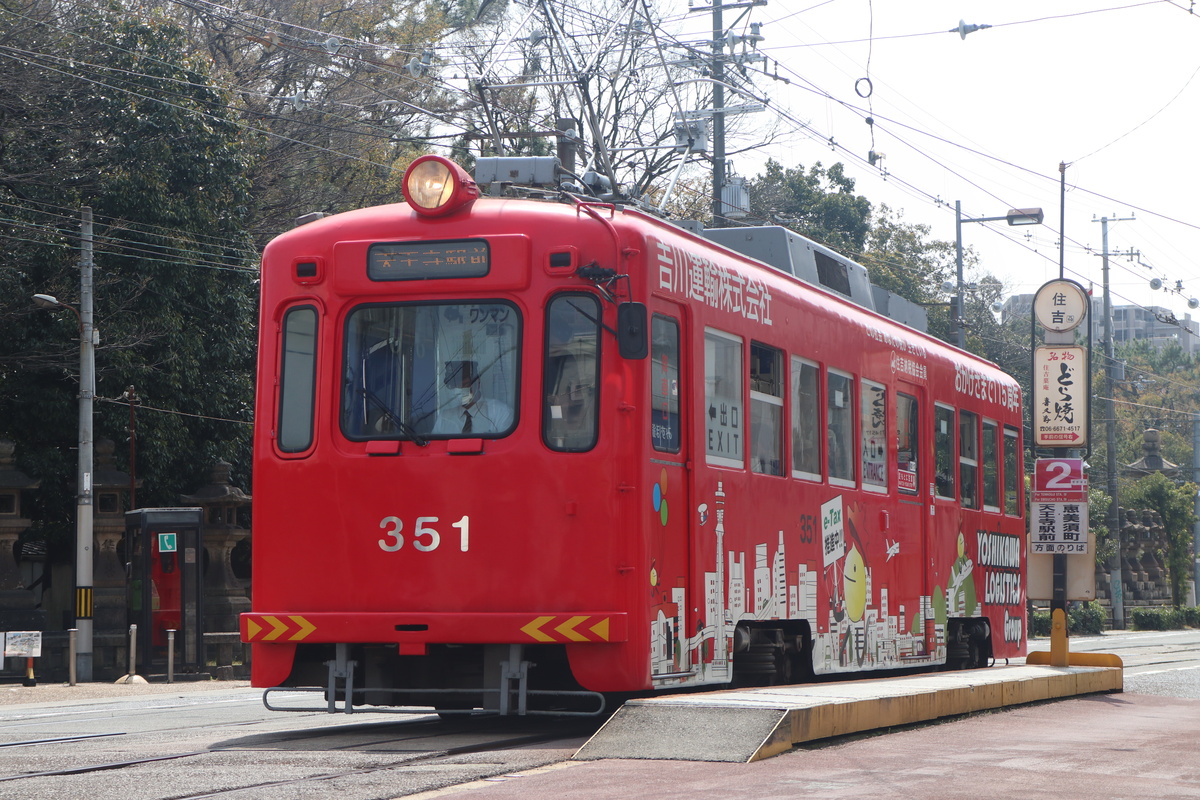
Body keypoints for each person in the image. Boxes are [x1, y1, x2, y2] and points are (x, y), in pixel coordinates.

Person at [432, 360, 513, 434]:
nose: (460, 390)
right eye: (455, 386)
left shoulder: (500, 413)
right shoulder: (444, 418)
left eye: (465, 385)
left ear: (477, 382)